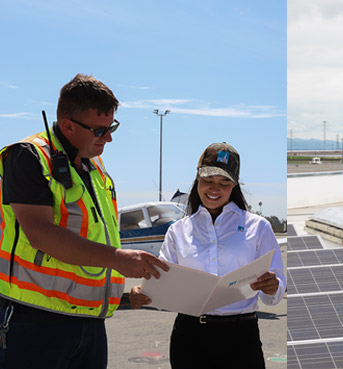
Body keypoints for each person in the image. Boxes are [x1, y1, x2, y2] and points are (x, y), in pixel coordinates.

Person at [0, 74, 169, 369]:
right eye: (101, 130)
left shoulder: (93, 166)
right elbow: (39, 233)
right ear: (68, 125)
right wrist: (118, 258)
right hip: (35, 319)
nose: (109, 138)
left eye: (112, 127)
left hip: (88, 320)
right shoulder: (28, 156)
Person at [129, 142, 286, 369]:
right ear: (197, 180)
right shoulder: (178, 230)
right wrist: (143, 294)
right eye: (208, 181)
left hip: (241, 338)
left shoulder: (258, 227)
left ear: (235, 185)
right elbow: (163, 285)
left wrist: (273, 286)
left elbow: (276, 293)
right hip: (189, 337)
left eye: (224, 183)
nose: (215, 189)